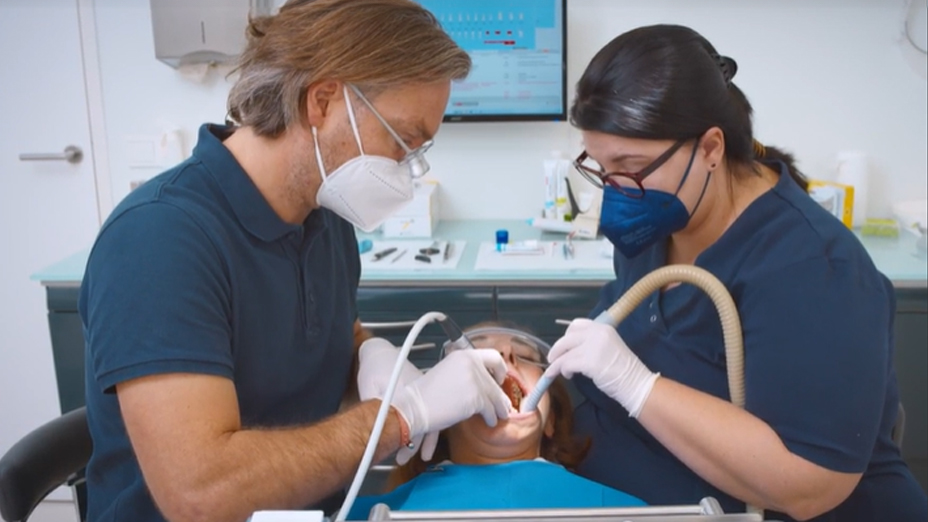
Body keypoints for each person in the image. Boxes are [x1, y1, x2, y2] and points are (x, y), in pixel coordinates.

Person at [78, 2, 512, 521]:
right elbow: (201, 494)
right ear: (323, 101)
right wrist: (400, 417)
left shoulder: (324, 213)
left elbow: (321, 333)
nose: (406, 169)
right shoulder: (160, 240)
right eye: (402, 141)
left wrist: (370, 354)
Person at [541, 24, 928, 522]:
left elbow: (811, 486)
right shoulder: (657, 224)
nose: (615, 190)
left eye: (630, 166)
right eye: (600, 166)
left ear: (710, 149)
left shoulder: (813, 268)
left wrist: (635, 385)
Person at [346, 325, 646, 520]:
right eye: (476, 356)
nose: (505, 355)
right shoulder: (374, 513)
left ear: (550, 420)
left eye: (526, 356)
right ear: (442, 416)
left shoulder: (625, 512)